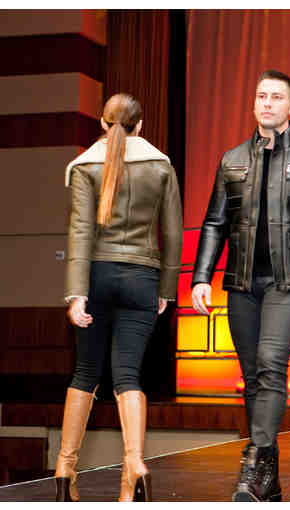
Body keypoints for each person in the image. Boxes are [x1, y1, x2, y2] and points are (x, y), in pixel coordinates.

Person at [190, 70, 290, 502]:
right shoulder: (232, 159)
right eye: (262, 96)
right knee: (252, 378)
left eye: (277, 97)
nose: (268, 103)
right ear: (254, 103)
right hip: (241, 283)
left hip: (289, 283)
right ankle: (267, 474)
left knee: (271, 364)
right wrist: (201, 277)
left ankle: (255, 461)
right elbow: (215, 222)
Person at [59, 93, 183, 501]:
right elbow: (173, 232)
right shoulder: (161, 165)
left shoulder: (84, 166)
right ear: (140, 125)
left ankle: (65, 470)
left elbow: (80, 231)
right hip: (142, 278)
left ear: (102, 122)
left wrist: (76, 294)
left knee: (85, 372)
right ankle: (134, 467)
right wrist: (166, 290)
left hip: (95, 276)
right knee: (128, 375)